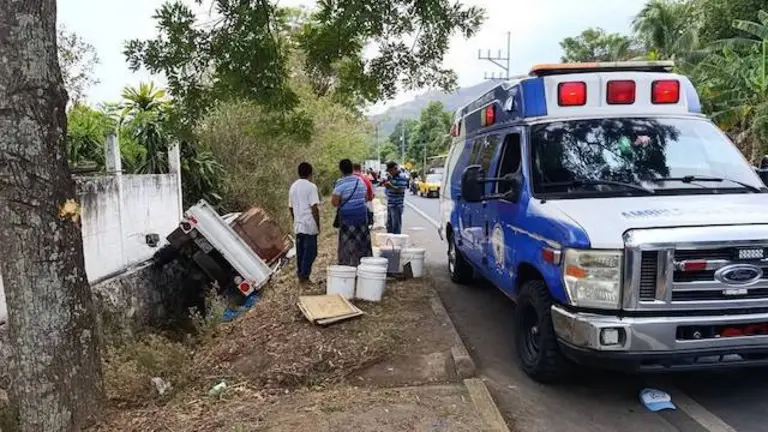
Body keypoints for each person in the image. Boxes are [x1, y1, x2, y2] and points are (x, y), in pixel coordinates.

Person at [332, 159, 372, 266]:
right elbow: (366, 198)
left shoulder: (340, 183)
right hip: (361, 217)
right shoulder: (360, 181)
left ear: (341, 170)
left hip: (347, 219)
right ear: (352, 168)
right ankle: (362, 264)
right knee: (361, 243)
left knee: (347, 243)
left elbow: (335, 203)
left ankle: (348, 265)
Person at [289, 162, 321, 283]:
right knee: (311, 252)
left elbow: (290, 207)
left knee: (301, 251)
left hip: (298, 224)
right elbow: (314, 208)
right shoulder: (311, 187)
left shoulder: (293, 187)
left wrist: (295, 219)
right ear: (310, 173)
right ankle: (304, 275)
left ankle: (301, 274)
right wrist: (317, 225)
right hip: (309, 224)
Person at [382, 161, 409, 234]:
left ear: (395, 168)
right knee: (389, 226)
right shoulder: (390, 177)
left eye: (391, 170)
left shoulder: (402, 177)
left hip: (397, 205)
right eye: (389, 171)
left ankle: (396, 240)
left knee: (396, 227)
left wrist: (391, 186)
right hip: (390, 203)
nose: (390, 172)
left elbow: (401, 190)